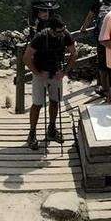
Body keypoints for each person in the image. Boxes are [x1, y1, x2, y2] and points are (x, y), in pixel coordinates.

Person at [23, 15, 78, 150]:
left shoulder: (65, 34)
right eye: (57, 32)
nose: (61, 34)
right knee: (37, 104)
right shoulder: (40, 37)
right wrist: (38, 73)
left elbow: (74, 53)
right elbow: (26, 57)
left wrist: (64, 72)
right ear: (51, 29)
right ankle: (32, 133)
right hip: (41, 74)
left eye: (62, 31)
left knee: (55, 101)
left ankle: (51, 129)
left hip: (56, 74)